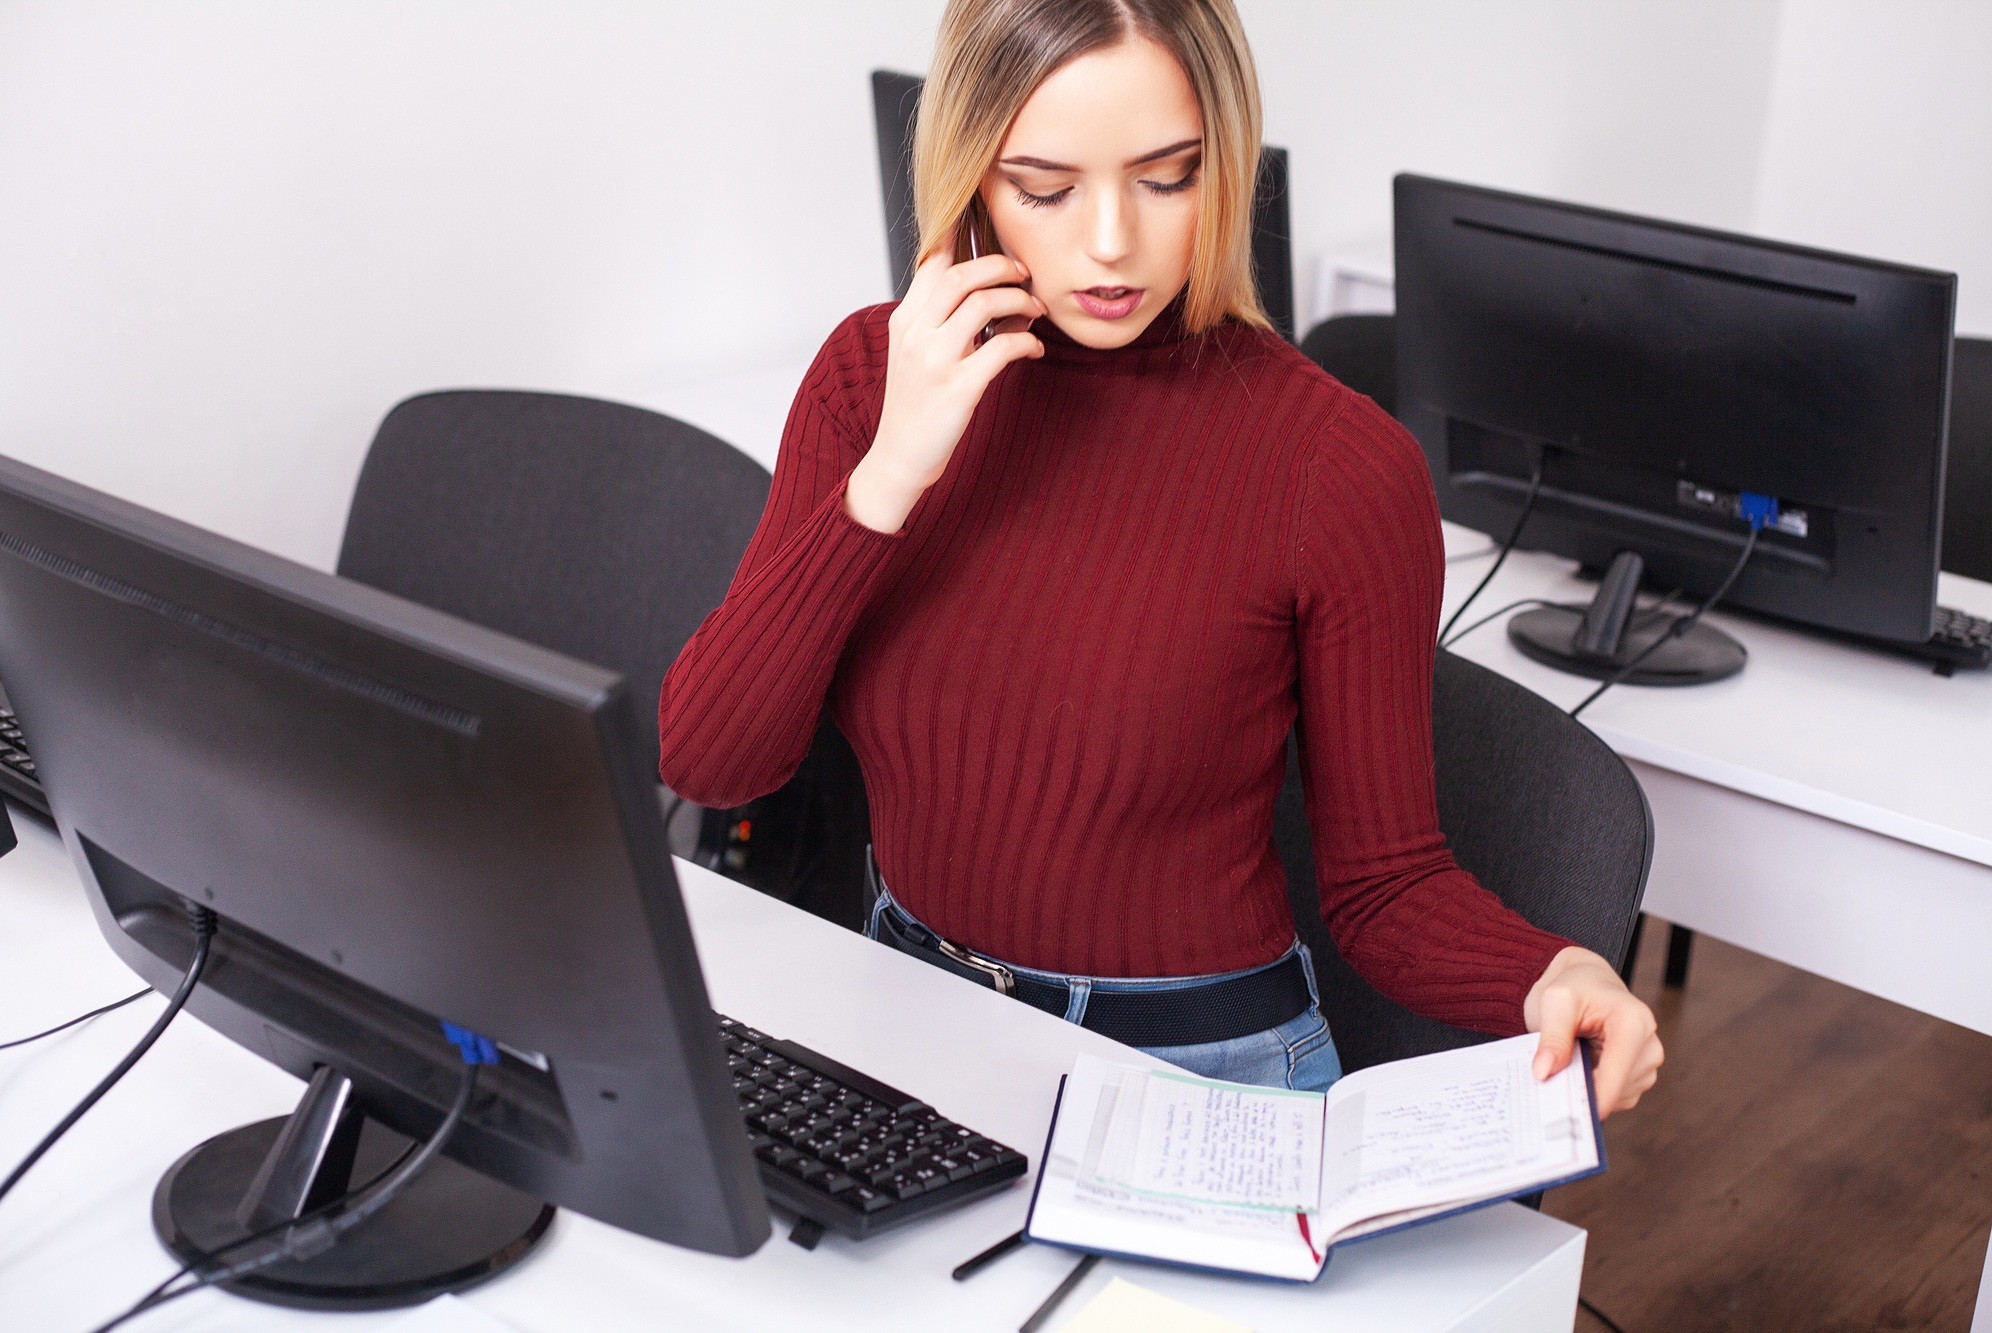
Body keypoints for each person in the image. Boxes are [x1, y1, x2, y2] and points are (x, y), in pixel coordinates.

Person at [661, 0, 1662, 1114]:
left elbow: (1386, 887)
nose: (1108, 243)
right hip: (909, 1014)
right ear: (972, 174)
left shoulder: (1335, 467)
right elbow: (711, 762)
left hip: (1197, 1073)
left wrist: (1557, 971)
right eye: (1042, 187)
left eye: (1166, 176)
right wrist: (889, 476)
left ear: (1224, 160)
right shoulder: (869, 378)